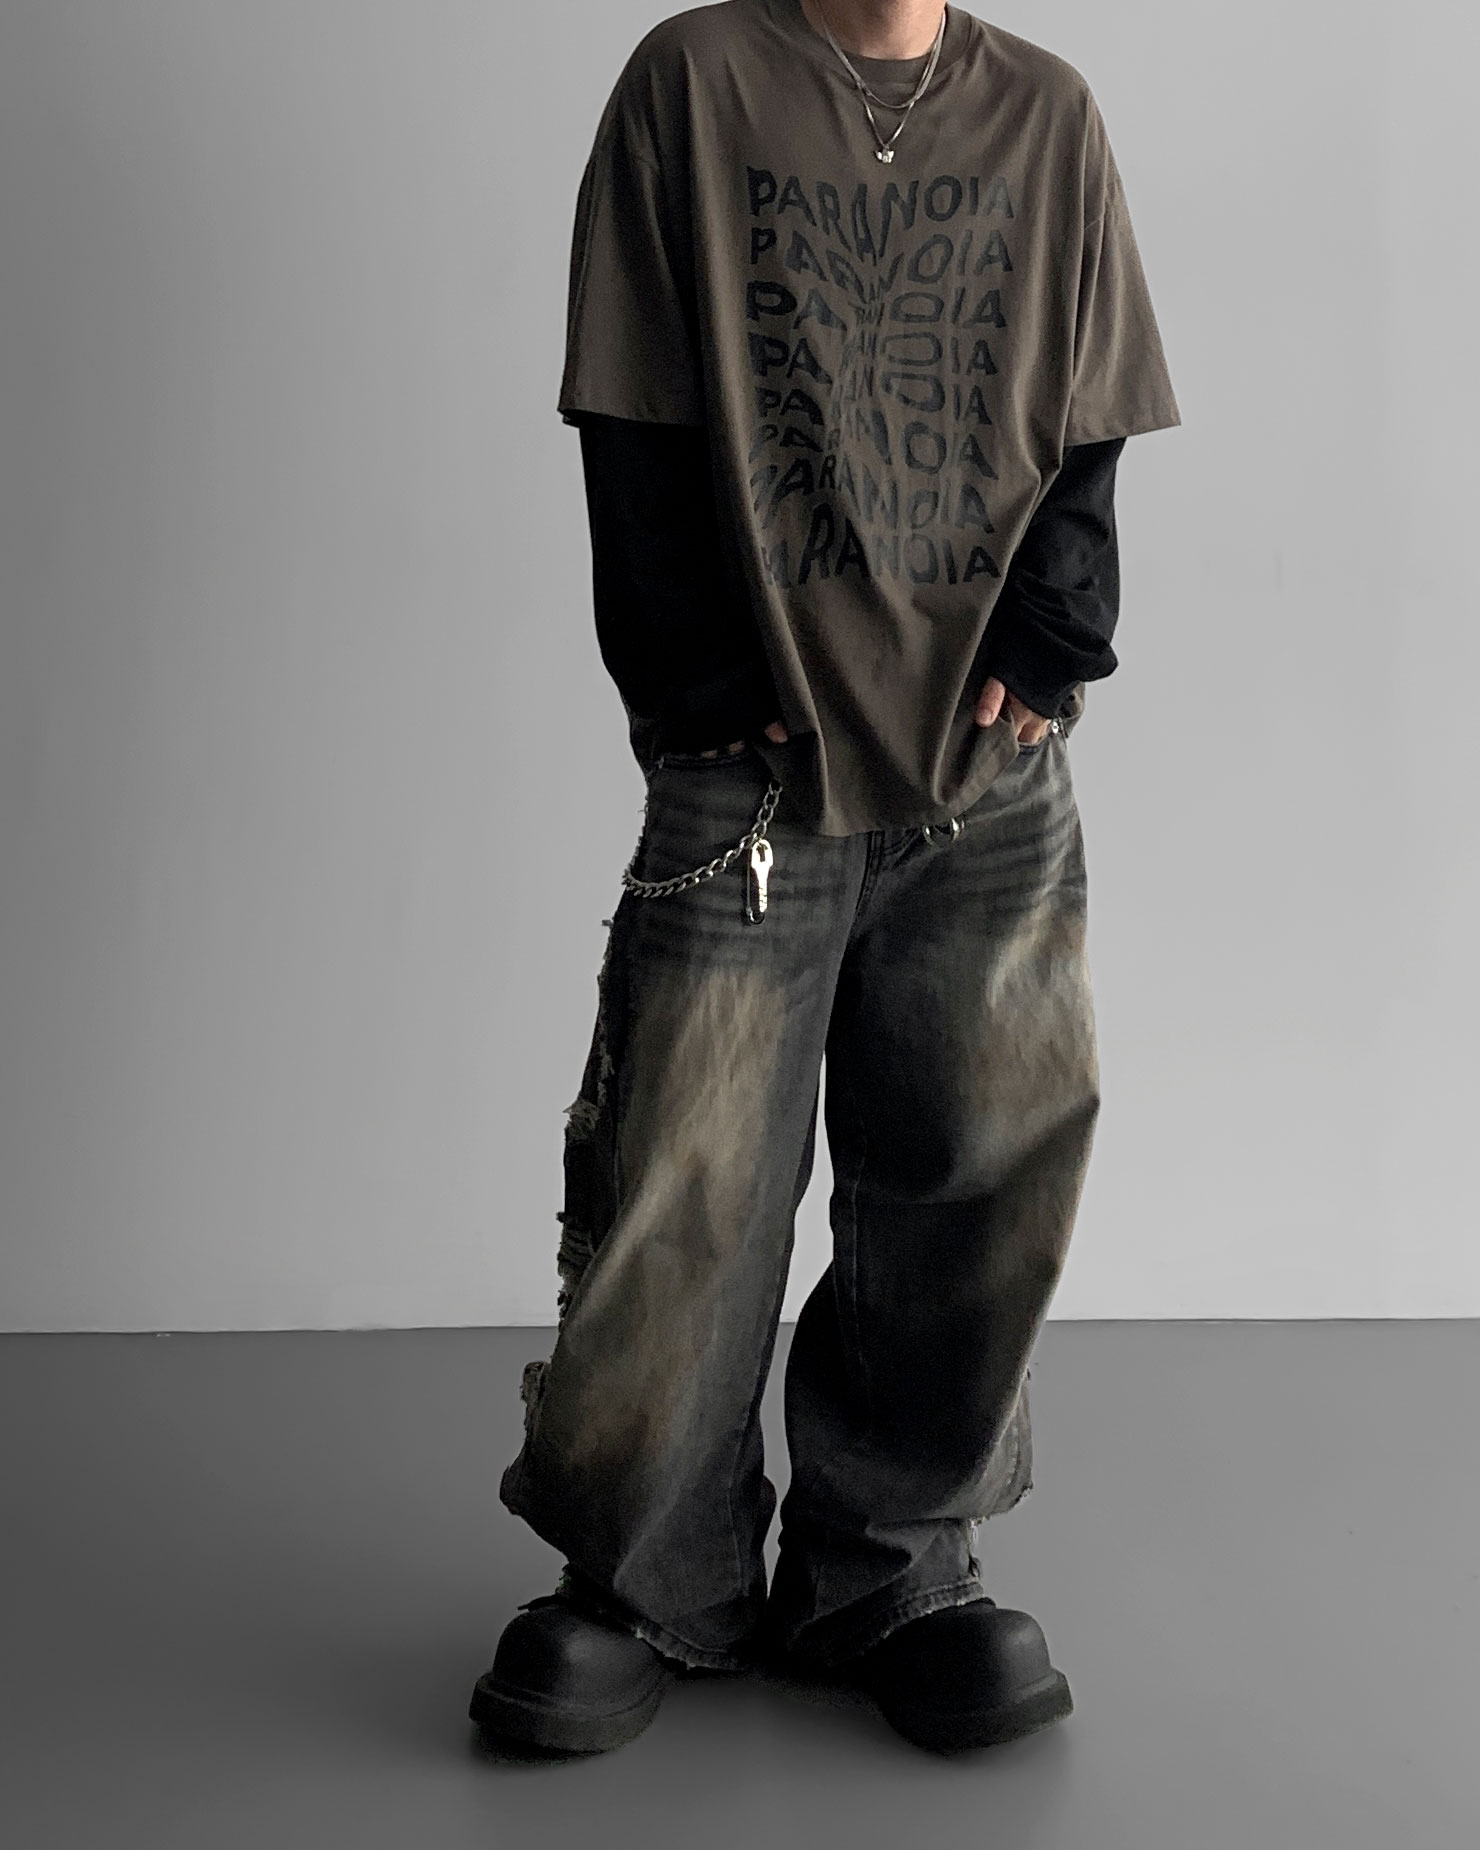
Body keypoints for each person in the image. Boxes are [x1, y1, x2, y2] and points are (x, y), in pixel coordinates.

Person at [470, 0, 1180, 1757]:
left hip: (983, 767)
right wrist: (697, 686)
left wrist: (1055, 631)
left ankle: (890, 1565)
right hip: (754, 764)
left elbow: (1090, 419)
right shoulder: (693, 84)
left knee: (979, 1165)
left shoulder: (1049, 115)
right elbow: (629, 400)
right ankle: (652, 1580)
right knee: (685, 1182)